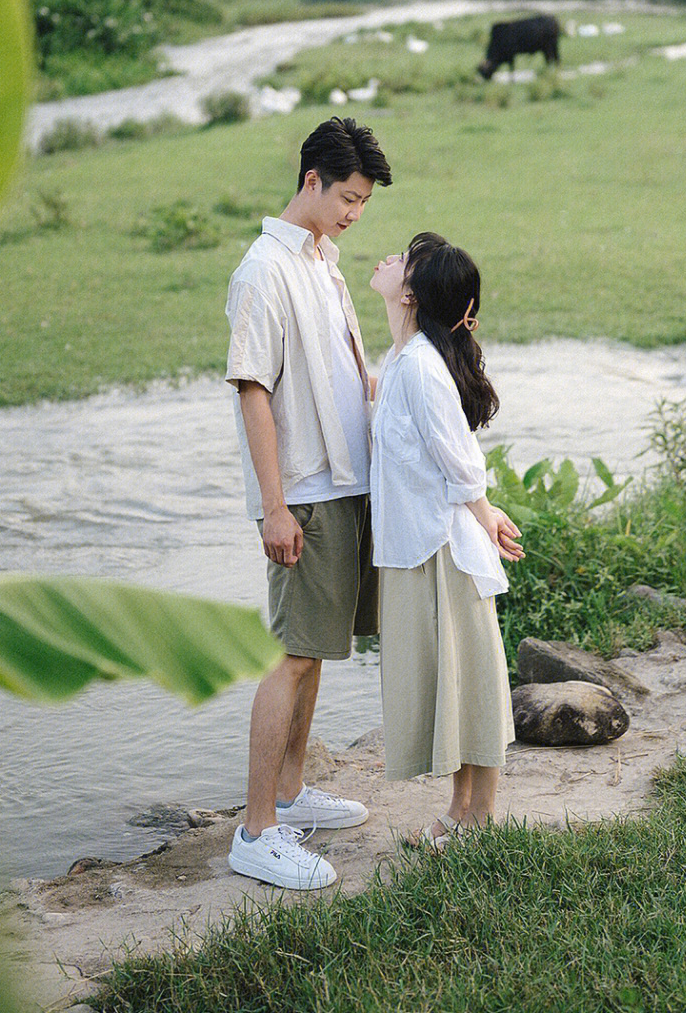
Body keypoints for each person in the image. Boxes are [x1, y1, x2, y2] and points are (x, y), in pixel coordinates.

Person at [224, 116, 393, 890]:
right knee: (290, 654)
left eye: (363, 202)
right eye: (348, 198)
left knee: (317, 647)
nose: (355, 212)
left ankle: (291, 793)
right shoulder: (263, 270)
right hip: (305, 493)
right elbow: (254, 393)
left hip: (346, 481)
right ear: (311, 182)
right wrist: (274, 506)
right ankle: (257, 831)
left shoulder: (324, 258)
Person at [369, 232, 523, 845]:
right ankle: (460, 810)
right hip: (419, 543)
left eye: (402, 262)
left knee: (471, 680)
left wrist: (484, 513)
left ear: (410, 292)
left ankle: (478, 816)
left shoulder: (423, 369)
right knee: (450, 680)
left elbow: (462, 464)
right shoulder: (408, 357)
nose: (387, 259)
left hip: (441, 546)